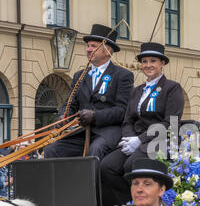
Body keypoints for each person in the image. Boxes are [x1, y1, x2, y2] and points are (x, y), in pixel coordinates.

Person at [100, 42, 184, 206]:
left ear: (162, 63)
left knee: (131, 165)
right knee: (106, 166)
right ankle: (128, 205)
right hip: (135, 140)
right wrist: (130, 138)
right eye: (144, 62)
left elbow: (170, 122)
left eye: (153, 61)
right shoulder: (136, 91)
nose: (148, 65)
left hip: (158, 141)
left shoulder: (172, 88)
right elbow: (127, 120)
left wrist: (140, 139)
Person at [44, 24, 134, 160]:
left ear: (107, 50)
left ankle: (92, 182)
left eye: (93, 46)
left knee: (96, 150)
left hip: (107, 131)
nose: (88, 49)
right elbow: (71, 103)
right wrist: (64, 116)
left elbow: (122, 110)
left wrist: (95, 116)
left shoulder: (122, 75)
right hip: (80, 131)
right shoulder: (79, 75)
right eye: (88, 46)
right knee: (52, 149)